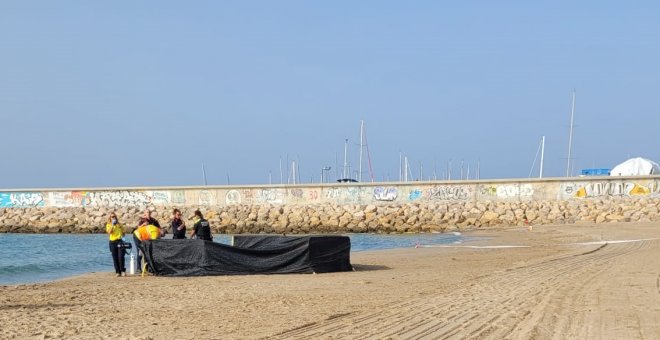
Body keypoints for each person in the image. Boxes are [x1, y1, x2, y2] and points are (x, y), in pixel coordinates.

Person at [105, 212, 126, 277]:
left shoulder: (119, 224)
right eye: (112, 217)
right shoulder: (108, 225)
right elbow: (109, 232)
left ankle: (122, 271)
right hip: (112, 242)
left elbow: (124, 233)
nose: (113, 218)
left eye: (114, 216)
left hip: (120, 241)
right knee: (115, 257)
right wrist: (112, 225)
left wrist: (123, 235)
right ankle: (117, 272)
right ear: (110, 218)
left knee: (121, 257)